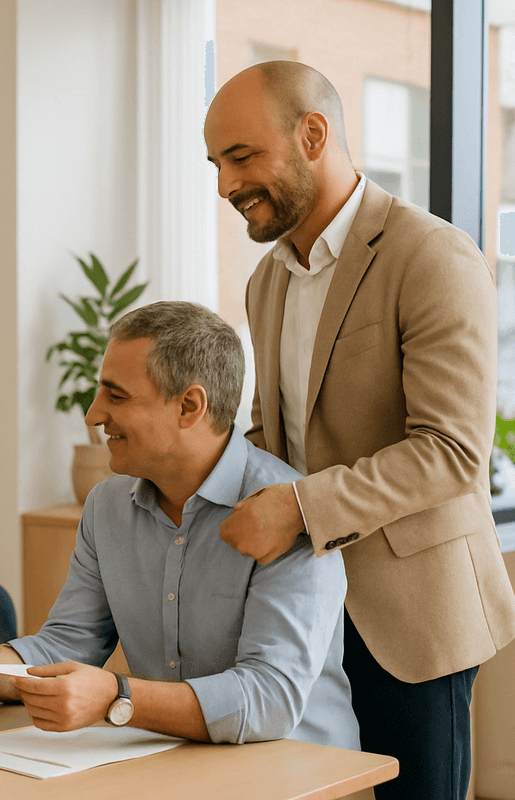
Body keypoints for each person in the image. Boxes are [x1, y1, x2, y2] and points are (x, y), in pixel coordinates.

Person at [206, 61, 515, 799]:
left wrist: (301, 508)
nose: (224, 186)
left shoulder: (433, 256)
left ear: (313, 135)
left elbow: (452, 452)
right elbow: (272, 436)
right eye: (216, 164)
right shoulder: (265, 281)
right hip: (301, 607)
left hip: (413, 616)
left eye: (241, 157)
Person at [0, 302, 358, 749]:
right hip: (170, 762)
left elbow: (269, 700)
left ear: (189, 406)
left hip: (300, 772)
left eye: (117, 395)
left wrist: (117, 696)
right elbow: (66, 644)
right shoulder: (108, 505)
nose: (94, 414)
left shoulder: (287, 515)